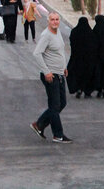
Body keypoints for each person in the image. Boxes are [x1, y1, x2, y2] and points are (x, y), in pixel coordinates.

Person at [30, 13, 73, 144]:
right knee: (54, 105)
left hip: (60, 73)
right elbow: (37, 54)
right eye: (52, 20)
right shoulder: (46, 35)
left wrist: (64, 66)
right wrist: (46, 71)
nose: (55, 22)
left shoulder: (57, 32)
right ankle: (58, 134)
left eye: (57, 19)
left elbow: (59, 51)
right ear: (48, 21)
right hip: (50, 75)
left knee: (62, 103)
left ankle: (39, 124)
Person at [66, 17, 100, 99]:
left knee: (76, 74)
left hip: (76, 58)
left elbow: (72, 42)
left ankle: (78, 89)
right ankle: (87, 91)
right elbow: (94, 45)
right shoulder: (90, 33)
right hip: (88, 59)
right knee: (88, 75)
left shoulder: (74, 31)